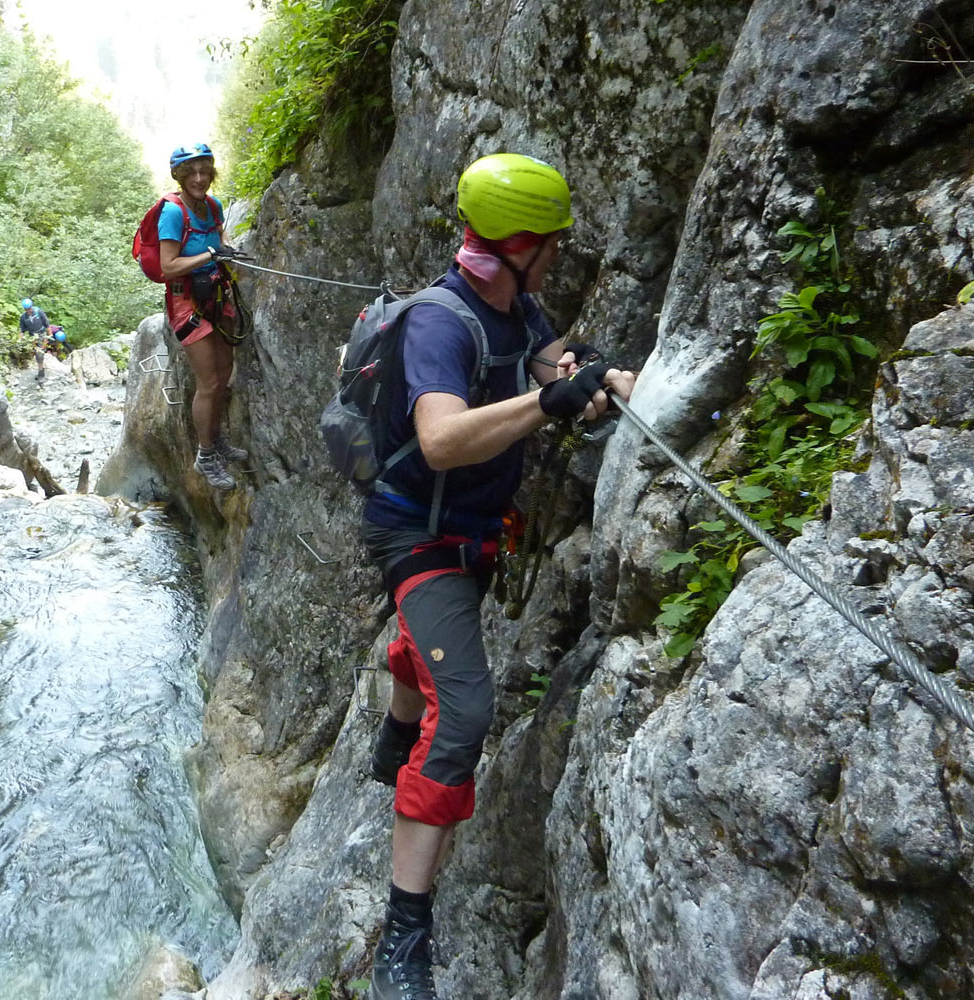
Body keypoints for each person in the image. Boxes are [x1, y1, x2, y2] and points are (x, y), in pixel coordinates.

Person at [360, 153, 637, 1000]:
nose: (556, 254)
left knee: (434, 644)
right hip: (417, 530)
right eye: (548, 242)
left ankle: (391, 737)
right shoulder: (441, 323)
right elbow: (442, 440)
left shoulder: (515, 303)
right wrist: (549, 403)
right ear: (521, 243)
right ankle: (404, 937)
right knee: (468, 709)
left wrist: (590, 376)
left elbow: (547, 358)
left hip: (473, 527)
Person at [157, 142, 248, 490]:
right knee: (208, 381)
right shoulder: (173, 213)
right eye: (191, 172)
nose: (199, 178)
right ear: (180, 176)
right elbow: (167, 266)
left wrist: (227, 249)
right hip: (186, 303)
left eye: (204, 171)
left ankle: (217, 437)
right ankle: (205, 453)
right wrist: (209, 254)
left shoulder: (213, 206)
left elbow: (219, 234)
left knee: (225, 372)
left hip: (216, 291)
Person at [19, 299, 51, 379]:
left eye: (29, 308)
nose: (28, 310)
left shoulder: (39, 312)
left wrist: (48, 336)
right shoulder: (23, 317)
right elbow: (22, 329)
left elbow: (47, 325)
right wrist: (20, 339)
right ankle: (41, 369)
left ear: (31, 307)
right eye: (26, 309)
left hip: (42, 334)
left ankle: (41, 373)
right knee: (37, 354)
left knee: (40, 354)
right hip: (33, 337)